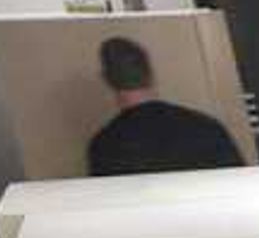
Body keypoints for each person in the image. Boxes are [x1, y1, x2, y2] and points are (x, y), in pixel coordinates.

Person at [85, 34, 245, 177]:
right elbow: (240, 185)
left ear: (107, 79)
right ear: (150, 73)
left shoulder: (105, 146)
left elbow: (110, 203)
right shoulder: (205, 127)